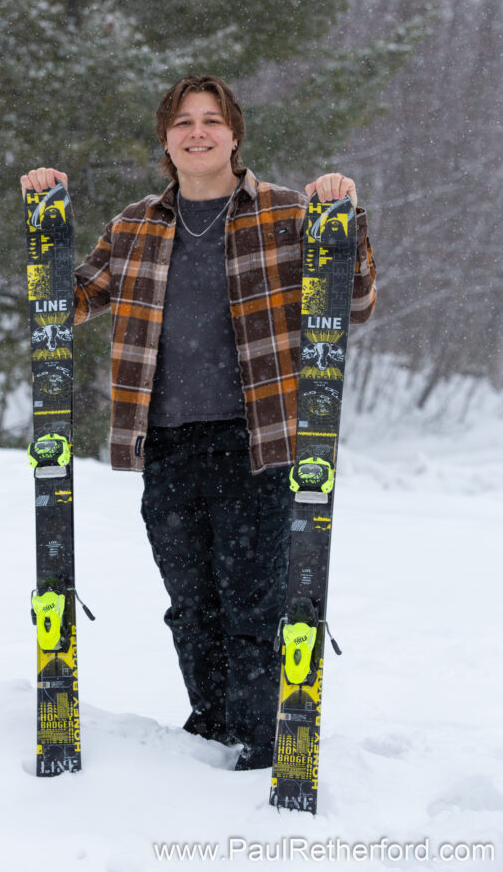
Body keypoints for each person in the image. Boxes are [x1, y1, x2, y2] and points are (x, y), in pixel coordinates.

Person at [20, 74, 376, 770]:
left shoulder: (283, 213)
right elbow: (64, 302)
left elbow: (354, 304)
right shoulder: (136, 224)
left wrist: (345, 216)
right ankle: (210, 726)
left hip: (258, 441)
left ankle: (257, 739)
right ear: (166, 139)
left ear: (235, 134)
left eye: (211, 120)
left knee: (252, 599)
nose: (198, 132)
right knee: (191, 601)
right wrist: (45, 215)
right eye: (183, 122)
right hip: (168, 443)